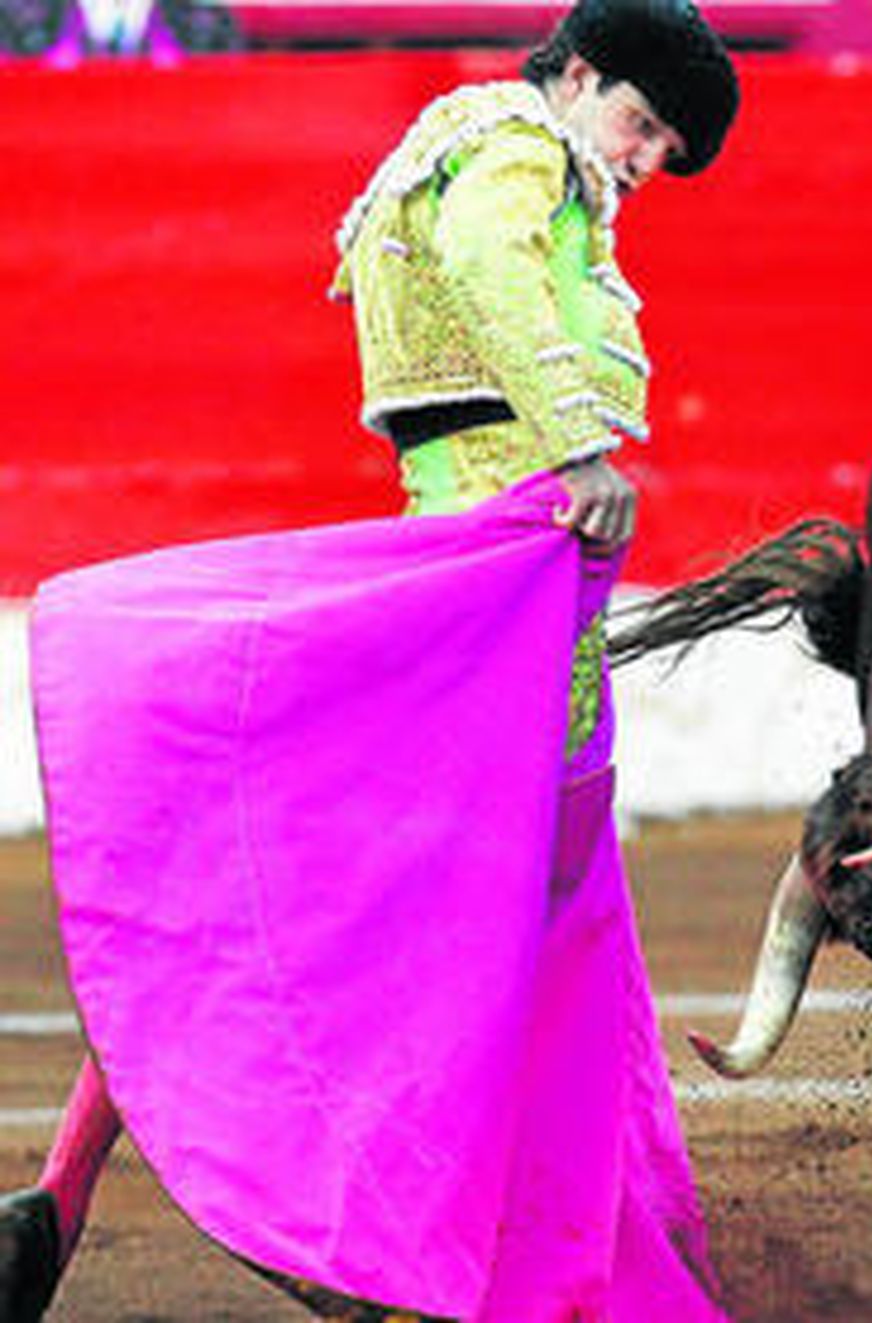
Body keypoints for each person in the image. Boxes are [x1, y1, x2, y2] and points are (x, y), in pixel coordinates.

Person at [0, 2, 738, 1319]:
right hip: (487, 591)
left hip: (505, 586)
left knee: (350, 880)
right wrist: (578, 446)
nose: (642, 160)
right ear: (578, 76)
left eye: (665, 149)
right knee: (480, 918)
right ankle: (416, 1242)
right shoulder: (515, 144)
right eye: (641, 124)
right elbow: (481, 262)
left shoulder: (503, 148)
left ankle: (62, 1197)